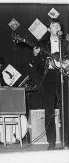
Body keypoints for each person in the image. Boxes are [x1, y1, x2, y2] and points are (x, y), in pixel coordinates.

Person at [33, 18, 69, 150]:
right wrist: (36, 55)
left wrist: (67, 63)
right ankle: (51, 142)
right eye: (54, 25)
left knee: (66, 108)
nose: (57, 27)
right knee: (49, 110)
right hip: (49, 77)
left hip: (63, 76)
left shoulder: (65, 43)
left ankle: (67, 141)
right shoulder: (42, 45)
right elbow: (36, 66)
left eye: (58, 25)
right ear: (49, 29)